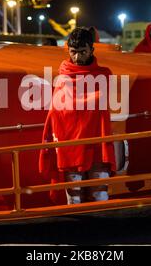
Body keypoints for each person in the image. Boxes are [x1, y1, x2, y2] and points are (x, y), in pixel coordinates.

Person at [39, 27, 116, 205]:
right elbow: (56, 111)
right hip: (71, 147)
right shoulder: (63, 76)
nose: (77, 57)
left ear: (91, 50)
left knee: (100, 199)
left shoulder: (104, 75)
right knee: (74, 201)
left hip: (96, 145)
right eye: (73, 52)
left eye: (82, 52)